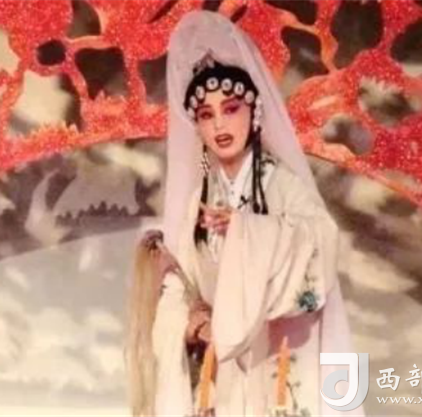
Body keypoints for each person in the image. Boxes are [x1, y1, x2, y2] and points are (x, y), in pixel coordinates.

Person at [146, 10, 361, 416]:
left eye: (230, 109)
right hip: (222, 375)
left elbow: (321, 244)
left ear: (254, 113)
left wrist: (249, 232)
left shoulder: (282, 185)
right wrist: (190, 323)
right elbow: (179, 283)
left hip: (279, 356)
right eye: (206, 115)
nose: (219, 125)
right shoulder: (199, 200)